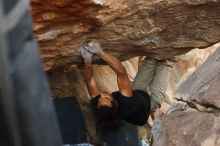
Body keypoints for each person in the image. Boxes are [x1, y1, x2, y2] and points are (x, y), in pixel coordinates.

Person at [80, 40, 174, 128]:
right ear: (115, 103)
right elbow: (121, 72)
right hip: (151, 102)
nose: (102, 95)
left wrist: (87, 60)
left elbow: (89, 81)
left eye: (100, 99)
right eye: (107, 97)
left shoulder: (101, 109)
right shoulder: (126, 103)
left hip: (138, 93)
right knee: (166, 62)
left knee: (151, 59)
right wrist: (100, 52)